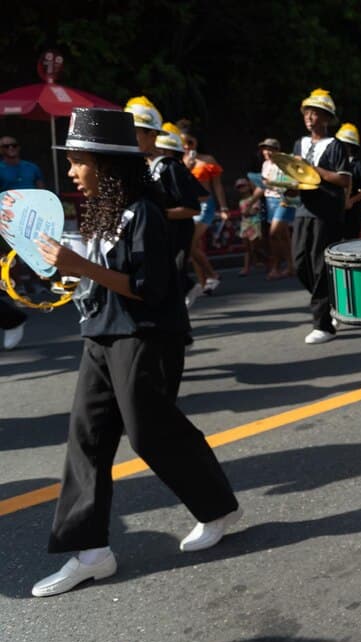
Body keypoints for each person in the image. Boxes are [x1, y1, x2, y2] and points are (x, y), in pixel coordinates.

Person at [27, 108, 241, 598]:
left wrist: (82, 264)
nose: (73, 171)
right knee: (86, 438)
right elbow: (100, 277)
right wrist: (71, 272)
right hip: (101, 333)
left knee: (150, 433)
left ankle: (217, 508)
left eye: (80, 160)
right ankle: (91, 552)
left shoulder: (143, 210)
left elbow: (148, 288)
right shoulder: (101, 209)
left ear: (106, 162)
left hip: (146, 334)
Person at [124, 97, 207, 309]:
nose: (128, 137)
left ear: (152, 135)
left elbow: (192, 207)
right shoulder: (133, 167)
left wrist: (157, 213)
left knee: (172, 280)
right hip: (150, 234)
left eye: (135, 131)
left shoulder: (169, 168)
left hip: (175, 234)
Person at [292, 88, 352, 344]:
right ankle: (331, 300)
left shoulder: (336, 146)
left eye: (315, 113)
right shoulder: (300, 143)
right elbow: (296, 173)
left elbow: (344, 179)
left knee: (319, 266)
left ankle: (323, 324)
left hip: (327, 211)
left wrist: (314, 169)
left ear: (326, 119)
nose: (310, 117)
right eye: (307, 112)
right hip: (304, 208)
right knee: (299, 262)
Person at [178, 124, 226, 298]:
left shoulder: (208, 159)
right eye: (183, 142)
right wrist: (187, 167)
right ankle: (204, 282)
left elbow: (217, 185)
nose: (187, 146)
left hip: (206, 206)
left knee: (190, 243)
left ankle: (213, 275)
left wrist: (224, 207)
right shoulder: (178, 161)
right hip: (188, 207)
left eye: (189, 142)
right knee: (194, 246)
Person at [258, 138, 296, 279]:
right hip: (270, 200)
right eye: (264, 149)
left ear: (277, 150)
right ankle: (292, 265)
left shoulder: (284, 163)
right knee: (283, 235)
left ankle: (275, 267)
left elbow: (293, 183)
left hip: (283, 200)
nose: (266, 152)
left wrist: (277, 186)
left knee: (273, 233)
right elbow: (263, 184)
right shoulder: (265, 164)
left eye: (270, 149)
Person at [335, 122, 361, 241]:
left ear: (349, 146)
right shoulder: (334, 164)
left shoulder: (357, 165)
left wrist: (351, 201)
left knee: (350, 245)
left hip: (352, 215)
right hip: (336, 213)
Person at [235, 177, 265, 275]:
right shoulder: (240, 201)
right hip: (245, 225)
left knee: (255, 247)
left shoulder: (254, 198)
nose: (241, 188)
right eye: (239, 187)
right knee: (247, 248)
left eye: (243, 186)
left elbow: (255, 210)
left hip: (254, 224)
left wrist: (247, 212)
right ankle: (247, 267)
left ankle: (263, 261)